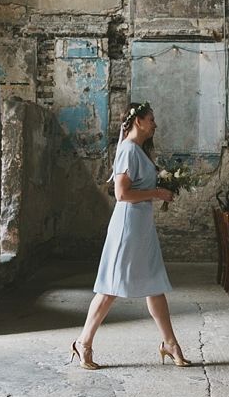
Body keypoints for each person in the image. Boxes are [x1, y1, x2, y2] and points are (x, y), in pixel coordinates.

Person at [72, 102, 191, 369]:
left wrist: (161, 187)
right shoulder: (127, 150)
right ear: (138, 121)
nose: (155, 124)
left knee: (154, 283)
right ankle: (84, 342)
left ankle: (170, 343)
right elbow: (122, 194)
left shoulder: (137, 151)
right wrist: (156, 193)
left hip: (142, 226)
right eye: (151, 119)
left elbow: (138, 185)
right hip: (127, 227)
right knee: (111, 287)